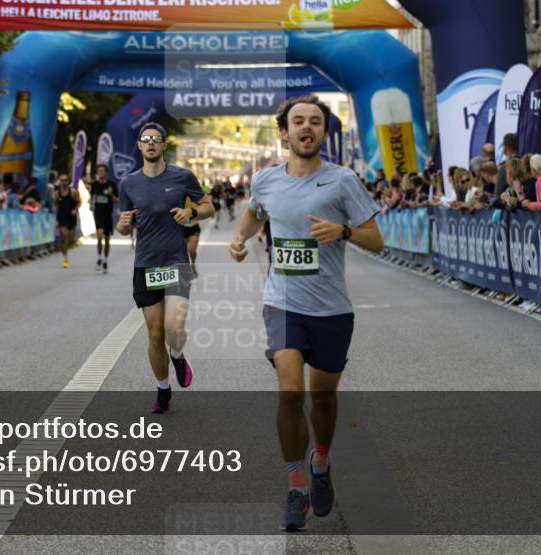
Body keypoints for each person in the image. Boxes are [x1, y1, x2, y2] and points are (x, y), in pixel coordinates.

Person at [228, 95, 383, 532]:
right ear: (285, 132)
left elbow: (377, 240)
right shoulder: (266, 181)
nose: (306, 127)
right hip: (282, 303)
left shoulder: (342, 181)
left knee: (324, 398)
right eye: (298, 121)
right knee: (291, 391)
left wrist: (345, 230)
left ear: (324, 133)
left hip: (332, 308)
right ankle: (296, 486)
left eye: (315, 121)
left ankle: (321, 461)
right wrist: (240, 240)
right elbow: (253, 213)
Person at [116, 122, 213, 414]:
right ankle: (162, 388)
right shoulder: (129, 183)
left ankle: (179, 354)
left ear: (163, 145)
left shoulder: (182, 176)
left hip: (176, 260)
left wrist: (191, 212)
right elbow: (124, 225)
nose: (150, 143)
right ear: (139, 145)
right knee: (155, 333)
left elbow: (209, 206)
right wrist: (122, 227)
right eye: (145, 139)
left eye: (156, 139)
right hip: (145, 264)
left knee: (174, 328)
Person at [90, 163, 118, 274]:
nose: (100, 173)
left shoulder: (111, 185)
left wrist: (111, 194)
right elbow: (91, 198)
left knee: (107, 239)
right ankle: (99, 258)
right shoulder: (94, 184)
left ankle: (105, 260)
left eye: (102, 171)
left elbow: (116, 200)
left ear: (106, 172)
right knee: (99, 235)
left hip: (108, 214)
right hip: (98, 214)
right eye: (98, 171)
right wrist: (91, 203)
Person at [53, 173, 80, 268]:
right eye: (62, 180)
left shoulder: (73, 192)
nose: (64, 182)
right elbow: (56, 204)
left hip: (71, 217)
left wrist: (75, 209)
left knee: (70, 239)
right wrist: (56, 211)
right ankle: (65, 259)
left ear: (68, 181)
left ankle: (68, 246)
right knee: (63, 236)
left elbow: (78, 202)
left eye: (65, 180)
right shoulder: (56, 193)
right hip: (62, 217)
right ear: (59, 182)